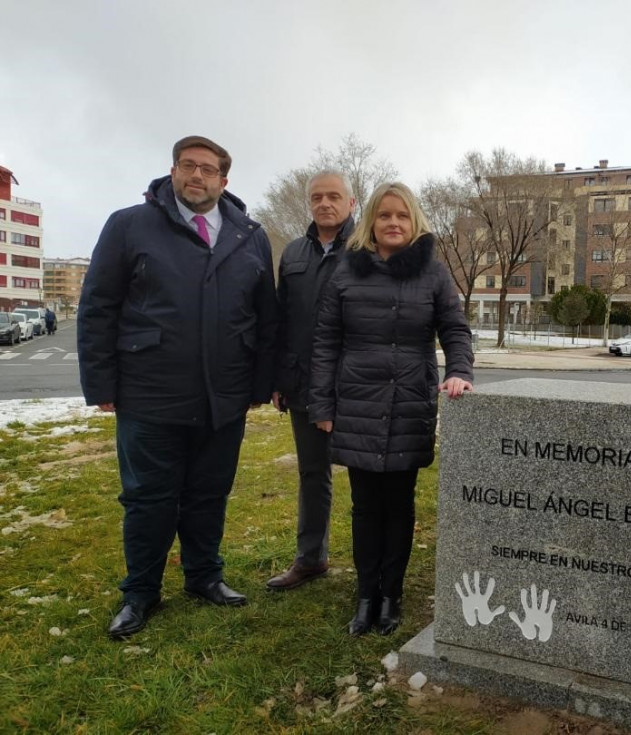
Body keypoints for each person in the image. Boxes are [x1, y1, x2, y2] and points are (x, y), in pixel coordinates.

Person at [77, 135, 277, 639]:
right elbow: (98, 306)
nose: (197, 176)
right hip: (150, 393)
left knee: (209, 493)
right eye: (188, 166)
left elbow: (265, 317)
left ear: (223, 181)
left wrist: (260, 382)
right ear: (172, 172)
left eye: (208, 169)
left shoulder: (248, 235)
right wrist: (100, 381)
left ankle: (204, 577)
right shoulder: (130, 225)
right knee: (148, 498)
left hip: (224, 396)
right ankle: (140, 592)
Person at [308, 182, 473, 636]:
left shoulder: (434, 274)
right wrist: (322, 403)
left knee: (399, 505)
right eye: (384, 216)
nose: (393, 223)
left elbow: (455, 330)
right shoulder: (345, 272)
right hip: (357, 403)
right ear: (371, 223)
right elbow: (325, 343)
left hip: (409, 403)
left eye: (402, 216)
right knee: (365, 506)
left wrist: (460, 371)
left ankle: (391, 595)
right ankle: (366, 596)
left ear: (414, 220)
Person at [266, 170, 355, 591]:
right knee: (312, 474)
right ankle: (311, 558)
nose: (325, 203)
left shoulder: (366, 250)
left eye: (334, 196)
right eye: (317, 197)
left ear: (351, 203)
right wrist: (281, 378)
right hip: (303, 385)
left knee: (365, 477)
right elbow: (282, 321)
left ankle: (370, 567)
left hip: (356, 387)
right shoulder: (295, 254)